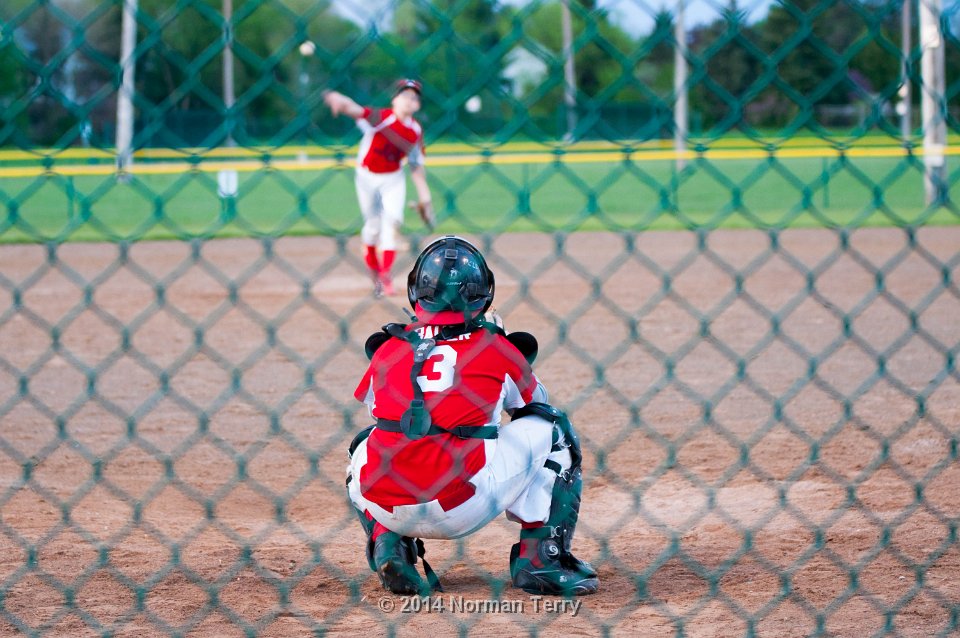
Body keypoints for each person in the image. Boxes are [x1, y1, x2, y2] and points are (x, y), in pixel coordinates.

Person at [345, 235, 599, 597]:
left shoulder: (388, 348)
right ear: (484, 292)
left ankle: (388, 542)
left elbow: (377, 410)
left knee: (364, 442)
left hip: (385, 503)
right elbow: (534, 406)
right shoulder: (495, 346)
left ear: (416, 291)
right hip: (461, 504)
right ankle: (542, 559)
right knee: (555, 428)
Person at [323, 79, 434, 298]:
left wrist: (425, 197)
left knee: (392, 223)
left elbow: (415, 166)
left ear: (418, 105)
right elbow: (353, 108)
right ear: (394, 99)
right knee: (373, 228)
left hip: (393, 178)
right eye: (405, 95)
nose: (409, 100)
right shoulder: (381, 118)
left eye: (414, 97)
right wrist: (336, 97)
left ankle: (385, 278)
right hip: (366, 177)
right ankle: (375, 276)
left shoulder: (415, 131)